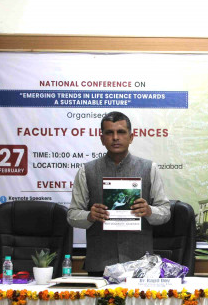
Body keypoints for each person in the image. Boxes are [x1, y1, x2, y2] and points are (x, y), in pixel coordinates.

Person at [67, 111, 171, 275]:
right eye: (109, 133)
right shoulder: (86, 171)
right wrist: (89, 216)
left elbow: (165, 212)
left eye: (121, 132)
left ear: (131, 137)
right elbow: (72, 215)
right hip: (100, 264)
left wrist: (149, 211)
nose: (115, 138)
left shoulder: (149, 168)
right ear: (102, 139)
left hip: (140, 265)